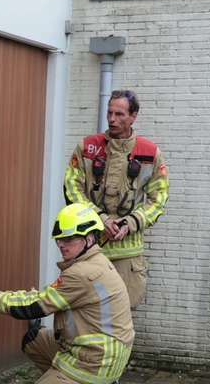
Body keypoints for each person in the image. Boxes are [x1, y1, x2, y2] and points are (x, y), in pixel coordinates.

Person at [0, 203, 134, 384]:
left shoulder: (82, 273)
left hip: (92, 362)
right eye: (59, 239)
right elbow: (46, 297)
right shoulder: (91, 263)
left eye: (68, 239)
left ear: (89, 239)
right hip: (97, 354)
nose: (61, 244)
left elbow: (33, 307)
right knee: (33, 340)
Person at [63, 89, 169, 309]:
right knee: (84, 313)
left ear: (134, 116)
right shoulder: (87, 148)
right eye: (109, 113)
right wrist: (99, 219)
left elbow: (158, 199)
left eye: (119, 114)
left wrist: (129, 223)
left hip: (127, 256)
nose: (112, 119)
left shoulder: (150, 153)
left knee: (121, 318)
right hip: (87, 249)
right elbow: (72, 188)